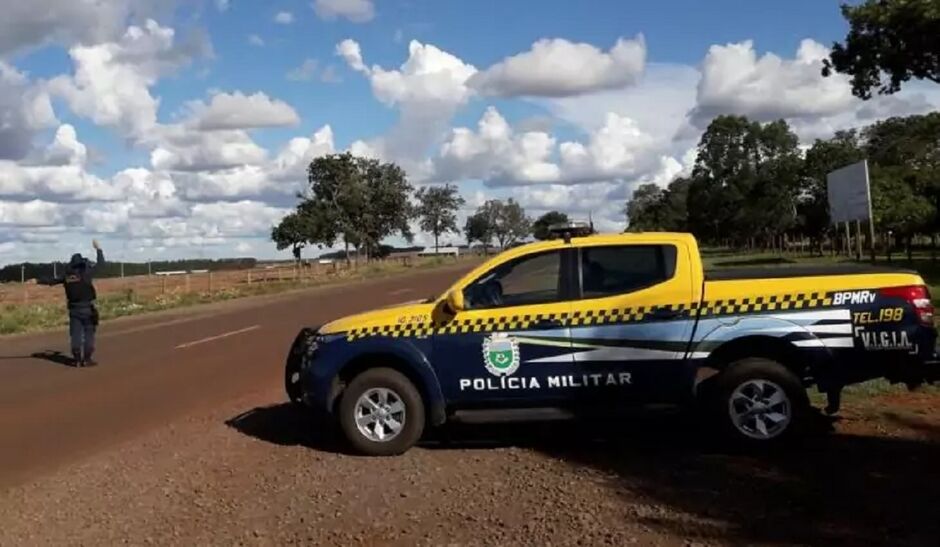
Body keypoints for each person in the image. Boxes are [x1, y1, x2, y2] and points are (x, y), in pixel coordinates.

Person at [41, 240, 105, 367]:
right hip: (87, 308)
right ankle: (87, 359)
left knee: (75, 334)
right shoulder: (86, 273)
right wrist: (98, 249)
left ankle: (76, 359)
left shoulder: (66, 277)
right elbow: (101, 265)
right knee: (89, 333)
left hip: (74, 309)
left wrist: (37, 281)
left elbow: (52, 281)